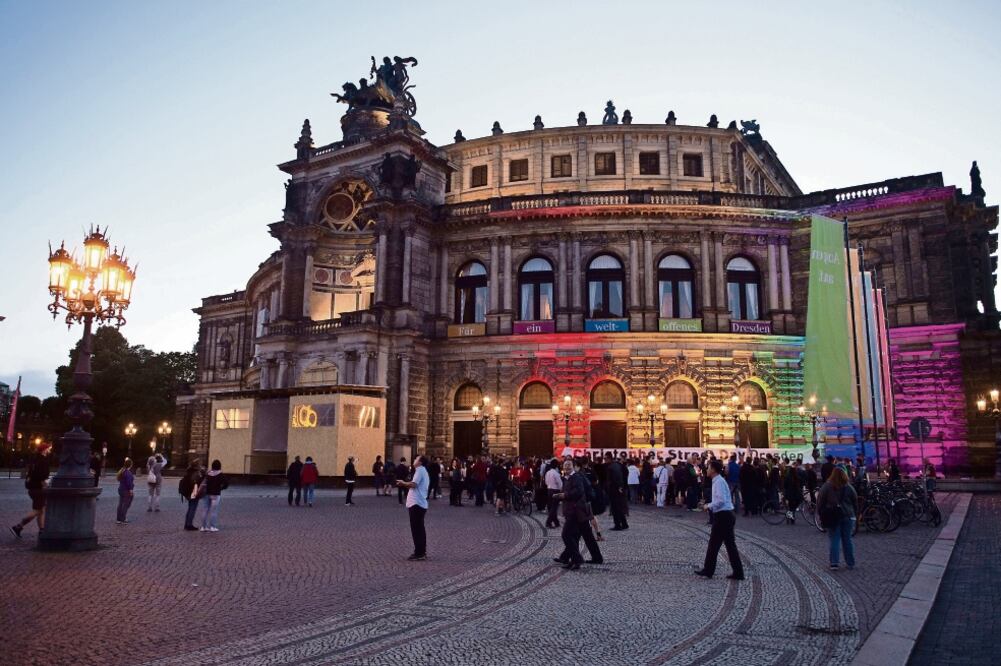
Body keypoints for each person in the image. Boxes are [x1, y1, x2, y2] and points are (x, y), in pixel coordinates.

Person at [694, 460, 745, 581]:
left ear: (713, 470)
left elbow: (721, 501)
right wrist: (709, 505)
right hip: (726, 515)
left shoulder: (718, 482)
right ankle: (738, 572)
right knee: (729, 545)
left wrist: (708, 506)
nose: (707, 470)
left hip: (723, 517)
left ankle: (708, 570)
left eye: (708, 468)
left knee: (714, 544)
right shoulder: (718, 481)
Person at [818, 466, 858, 570]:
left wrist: (821, 514)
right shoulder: (849, 487)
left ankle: (834, 563)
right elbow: (855, 501)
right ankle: (850, 563)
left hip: (833, 516)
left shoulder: (827, 487)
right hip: (848, 516)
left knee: (834, 540)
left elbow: (820, 501)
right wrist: (855, 514)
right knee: (847, 540)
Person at [10, 443, 51, 538]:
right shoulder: (43, 461)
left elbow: (32, 473)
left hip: (32, 488)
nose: (49, 450)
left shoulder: (35, 459)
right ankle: (18, 526)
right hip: (38, 489)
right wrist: (45, 486)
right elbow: (42, 476)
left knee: (41, 509)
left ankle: (42, 530)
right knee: (38, 510)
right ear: (44, 450)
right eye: (48, 448)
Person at [397, 455, 429, 560]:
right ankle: (421, 551)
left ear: (420, 462)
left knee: (416, 529)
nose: (414, 460)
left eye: (416, 459)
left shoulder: (420, 471)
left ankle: (419, 553)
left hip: (416, 504)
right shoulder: (422, 471)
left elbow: (413, 484)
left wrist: (403, 483)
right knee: (420, 529)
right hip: (419, 504)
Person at [200, 459, 229, 532]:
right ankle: (212, 527)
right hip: (215, 494)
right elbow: (226, 484)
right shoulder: (220, 474)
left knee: (205, 510)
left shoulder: (208, 473)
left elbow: (203, 481)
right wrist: (221, 488)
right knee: (213, 511)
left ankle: (203, 527)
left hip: (206, 494)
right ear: (219, 466)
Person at [603, 452, 628, 530]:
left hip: (615, 490)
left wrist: (619, 486)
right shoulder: (616, 465)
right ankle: (624, 523)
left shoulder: (612, 466)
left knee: (615, 508)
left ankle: (618, 525)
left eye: (605, 458)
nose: (604, 460)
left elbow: (617, 477)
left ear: (609, 458)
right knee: (618, 507)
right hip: (616, 489)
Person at [178, 460, 204, 531]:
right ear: (197, 466)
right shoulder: (195, 473)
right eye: (199, 465)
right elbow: (195, 483)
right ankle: (189, 525)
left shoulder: (189, 471)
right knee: (192, 509)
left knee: (190, 509)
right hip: (193, 493)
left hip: (189, 493)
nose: (200, 466)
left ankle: (187, 524)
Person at [544, 459, 563, 528]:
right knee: (554, 508)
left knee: (551, 507)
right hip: (555, 491)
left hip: (549, 490)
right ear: (556, 466)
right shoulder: (556, 473)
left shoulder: (547, 473)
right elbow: (560, 484)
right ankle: (548, 522)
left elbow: (546, 482)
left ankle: (556, 522)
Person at [116, 458, 135, 524]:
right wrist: (131, 490)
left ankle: (118, 519)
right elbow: (129, 482)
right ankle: (123, 519)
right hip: (126, 490)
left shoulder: (122, 471)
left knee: (120, 504)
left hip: (121, 489)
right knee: (125, 505)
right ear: (130, 465)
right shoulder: (128, 473)